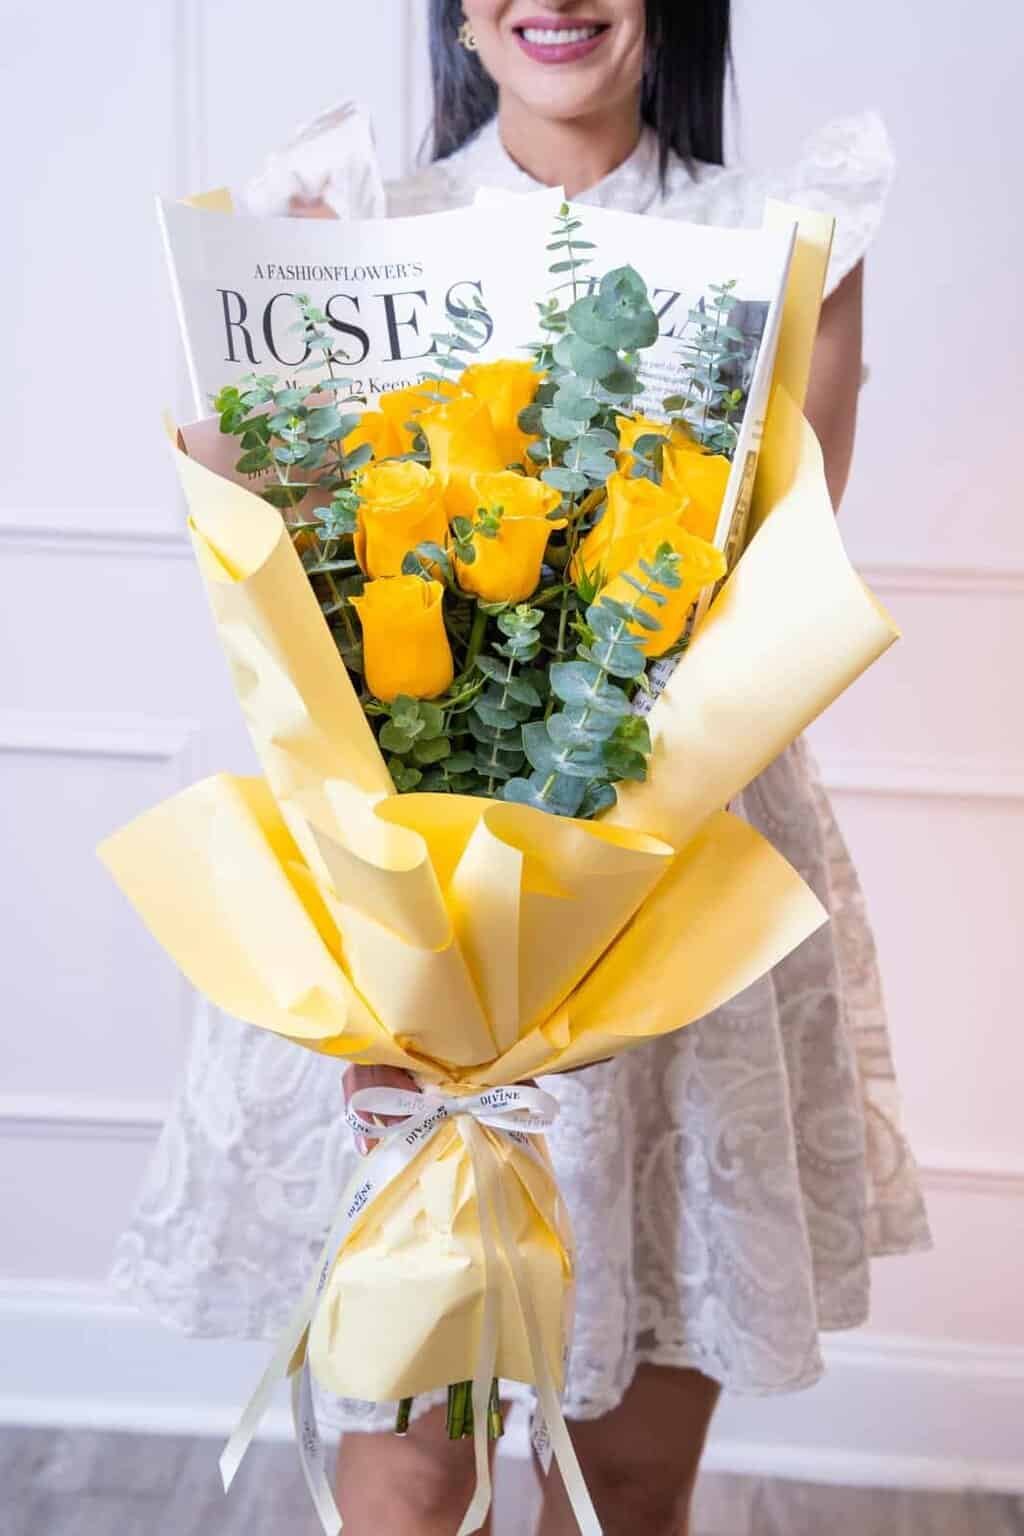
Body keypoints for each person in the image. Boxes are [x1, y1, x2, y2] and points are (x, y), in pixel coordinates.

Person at [114, 4, 931, 1533]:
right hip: (404, 910)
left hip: (672, 908)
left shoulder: (790, 235)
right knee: (415, 1465)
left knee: (627, 1476)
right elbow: (259, 552)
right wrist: (250, 311)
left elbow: (788, 580)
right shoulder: (349, 224)